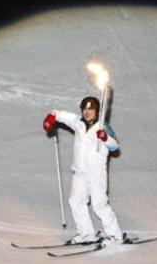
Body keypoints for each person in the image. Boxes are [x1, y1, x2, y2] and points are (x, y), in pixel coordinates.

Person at [43, 96, 125, 245]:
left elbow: (115, 146)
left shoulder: (102, 126)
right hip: (80, 171)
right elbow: (60, 115)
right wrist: (51, 118)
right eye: (85, 109)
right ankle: (86, 233)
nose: (87, 112)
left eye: (91, 109)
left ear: (96, 110)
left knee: (99, 204)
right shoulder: (78, 123)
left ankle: (114, 235)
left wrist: (105, 138)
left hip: (96, 173)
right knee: (76, 201)